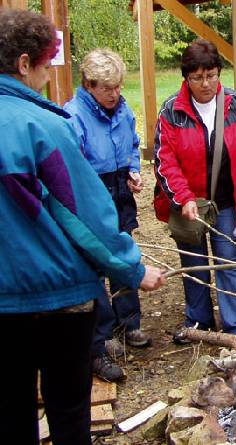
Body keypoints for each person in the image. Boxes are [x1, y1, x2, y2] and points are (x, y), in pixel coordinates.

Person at [0, 8, 165, 445]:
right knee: (68, 409)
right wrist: (131, 268)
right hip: (55, 296)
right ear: (23, 64)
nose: (46, 75)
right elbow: (84, 217)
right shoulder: (45, 126)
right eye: (44, 64)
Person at [153, 38, 236, 343]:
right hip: (189, 203)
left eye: (211, 75)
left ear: (219, 73)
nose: (205, 84)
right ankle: (199, 322)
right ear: (185, 78)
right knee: (194, 265)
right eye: (197, 77)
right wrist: (183, 198)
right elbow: (165, 161)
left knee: (230, 262)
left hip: (227, 201)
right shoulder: (171, 112)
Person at [65, 49, 150, 382]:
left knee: (124, 252)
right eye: (107, 88)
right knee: (96, 264)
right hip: (92, 192)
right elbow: (72, 166)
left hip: (119, 190)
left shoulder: (123, 110)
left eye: (118, 87)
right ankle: (99, 340)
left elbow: (133, 144)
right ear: (89, 84)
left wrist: (132, 169)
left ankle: (128, 323)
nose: (115, 94)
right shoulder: (73, 116)